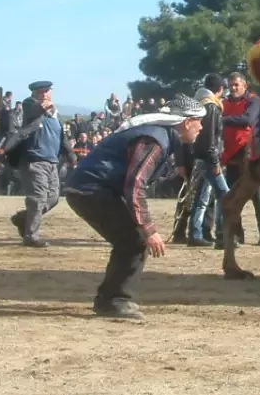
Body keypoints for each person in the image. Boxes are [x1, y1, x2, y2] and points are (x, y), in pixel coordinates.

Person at [64, 94, 207, 319]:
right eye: (199, 121)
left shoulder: (159, 135)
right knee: (134, 240)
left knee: (129, 240)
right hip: (90, 191)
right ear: (186, 122)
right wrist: (149, 230)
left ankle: (110, 299)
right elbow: (135, 185)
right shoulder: (156, 139)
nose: (201, 127)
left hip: (89, 189)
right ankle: (114, 302)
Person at [4, 81, 75, 247]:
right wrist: (44, 107)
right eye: (40, 92)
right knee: (38, 199)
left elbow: (61, 138)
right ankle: (31, 236)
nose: (44, 94)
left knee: (53, 198)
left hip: (52, 162)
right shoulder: (30, 106)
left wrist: (71, 155)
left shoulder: (55, 116)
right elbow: (34, 111)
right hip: (33, 160)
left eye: (47, 91)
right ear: (34, 93)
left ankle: (24, 218)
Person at [217, 71, 260, 247]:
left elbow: (248, 119)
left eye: (236, 85)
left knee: (258, 196)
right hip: (231, 155)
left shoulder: (253, 100)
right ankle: (236, 235)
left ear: (244, 85)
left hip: (251, 154)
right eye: (231, 85)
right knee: (234, 197)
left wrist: (221, 119)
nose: (233, 88)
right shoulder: (224, 103)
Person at [186, 74, 227, 248]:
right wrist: (215, 161)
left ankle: (195, 233)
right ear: (220, 89)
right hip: (209, 158)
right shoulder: (212, 107)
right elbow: (210, 138)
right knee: (225, 194)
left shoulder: (199, 103)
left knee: (202, 197)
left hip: (199, 157)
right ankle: (223, 233)